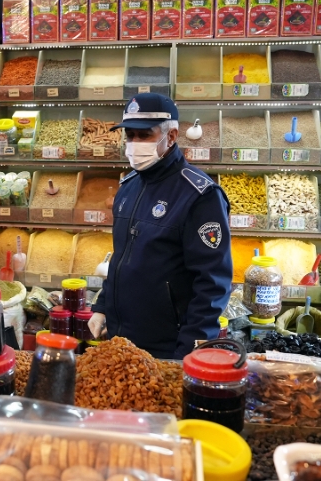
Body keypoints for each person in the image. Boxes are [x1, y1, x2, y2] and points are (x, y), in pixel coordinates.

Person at [88, 93, 233, 359]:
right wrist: (103, 305)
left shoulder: (200, 196)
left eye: (144, 135)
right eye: (130, 135)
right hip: (122, 341)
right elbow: (120, 259)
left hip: (168, 346)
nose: (134, 144)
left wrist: (188, 352)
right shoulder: (127, 188)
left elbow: (212, 285)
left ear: (172, 136)